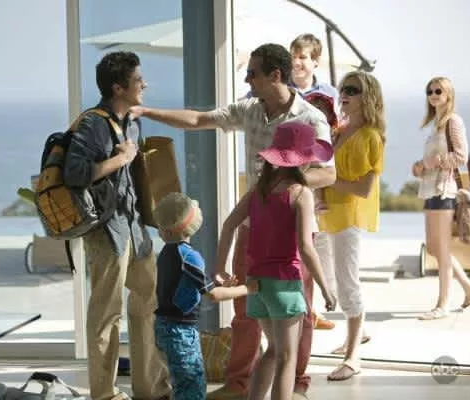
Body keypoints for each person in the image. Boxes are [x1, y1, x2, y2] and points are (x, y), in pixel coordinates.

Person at [129, 43, 336, 400]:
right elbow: (199, 120)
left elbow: (329, 174)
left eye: (252, 73)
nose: (246, 79)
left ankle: (295, 384)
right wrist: (146, 112)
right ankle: (240, 383)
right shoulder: (249, 109)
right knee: (247, 313)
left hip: (290, 230)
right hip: (252, 227)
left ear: (275, 75)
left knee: (296, 317)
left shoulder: (310, 118)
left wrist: (285, 183)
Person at [63, 51, 171, 400]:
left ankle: (149, 388)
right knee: (106, 314)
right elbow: (75, 174)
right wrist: (120, 159)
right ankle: (104, 394)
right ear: (118, 88)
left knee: (148, 301)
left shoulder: (133, 123)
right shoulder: (92, 124)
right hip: (106, 231)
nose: (145, 84)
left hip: (135, 227)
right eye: (138, 80)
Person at [214, 121, 336, 400]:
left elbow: (229, 225)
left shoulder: (259, 191)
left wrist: (220, 267)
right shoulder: (301, 193)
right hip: (285, 286)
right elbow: (306, 247)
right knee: (287, 359)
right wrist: (326, 288)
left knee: (272, 351)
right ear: (303, 159)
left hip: (257, 285)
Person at [153, 192, 258, 400]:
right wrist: (248, 289)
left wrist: (223, 286)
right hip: (180, 331)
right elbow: (214, 295)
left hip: (165, 326)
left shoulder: (167, 252)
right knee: (192, 386)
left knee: (182, 384)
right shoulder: (190, 256)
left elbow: (194, 286)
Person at [315, 71, 385, 381]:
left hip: (349, 218)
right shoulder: (337, 131)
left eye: (353, 90)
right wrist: (319, 195)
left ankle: (353, 357)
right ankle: (358, 331)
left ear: (367, 96)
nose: (344, 93)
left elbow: (364, 189)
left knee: (347, 284)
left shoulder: (371, 137)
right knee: (329, 283)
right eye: (344, 88)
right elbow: (321, 168)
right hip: (326, 214)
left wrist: (329, 181)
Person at [412, 76, 470, 320]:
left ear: (448, 94)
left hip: (445, 189)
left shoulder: (453, 121)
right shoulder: (435, 125)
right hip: (430, 189)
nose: (433, 95)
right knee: (434, 247)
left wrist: (434, 162)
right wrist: (419, 167)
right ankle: (469, 289)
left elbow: (461, 156)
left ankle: (442, 305)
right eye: (429, 91)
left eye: (438, 91)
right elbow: (432, 161)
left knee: (442, 247)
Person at [290, 34, 339, 331]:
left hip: (320, 171)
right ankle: (306, 310)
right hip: (291, 170)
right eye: (293, 56)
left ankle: (315, 307)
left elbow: (337, 130)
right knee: (301, 243)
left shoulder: (328, 93)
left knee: (318, 244)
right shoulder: (283, 91)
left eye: (303, 57)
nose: (296, 62)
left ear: (315, 62)